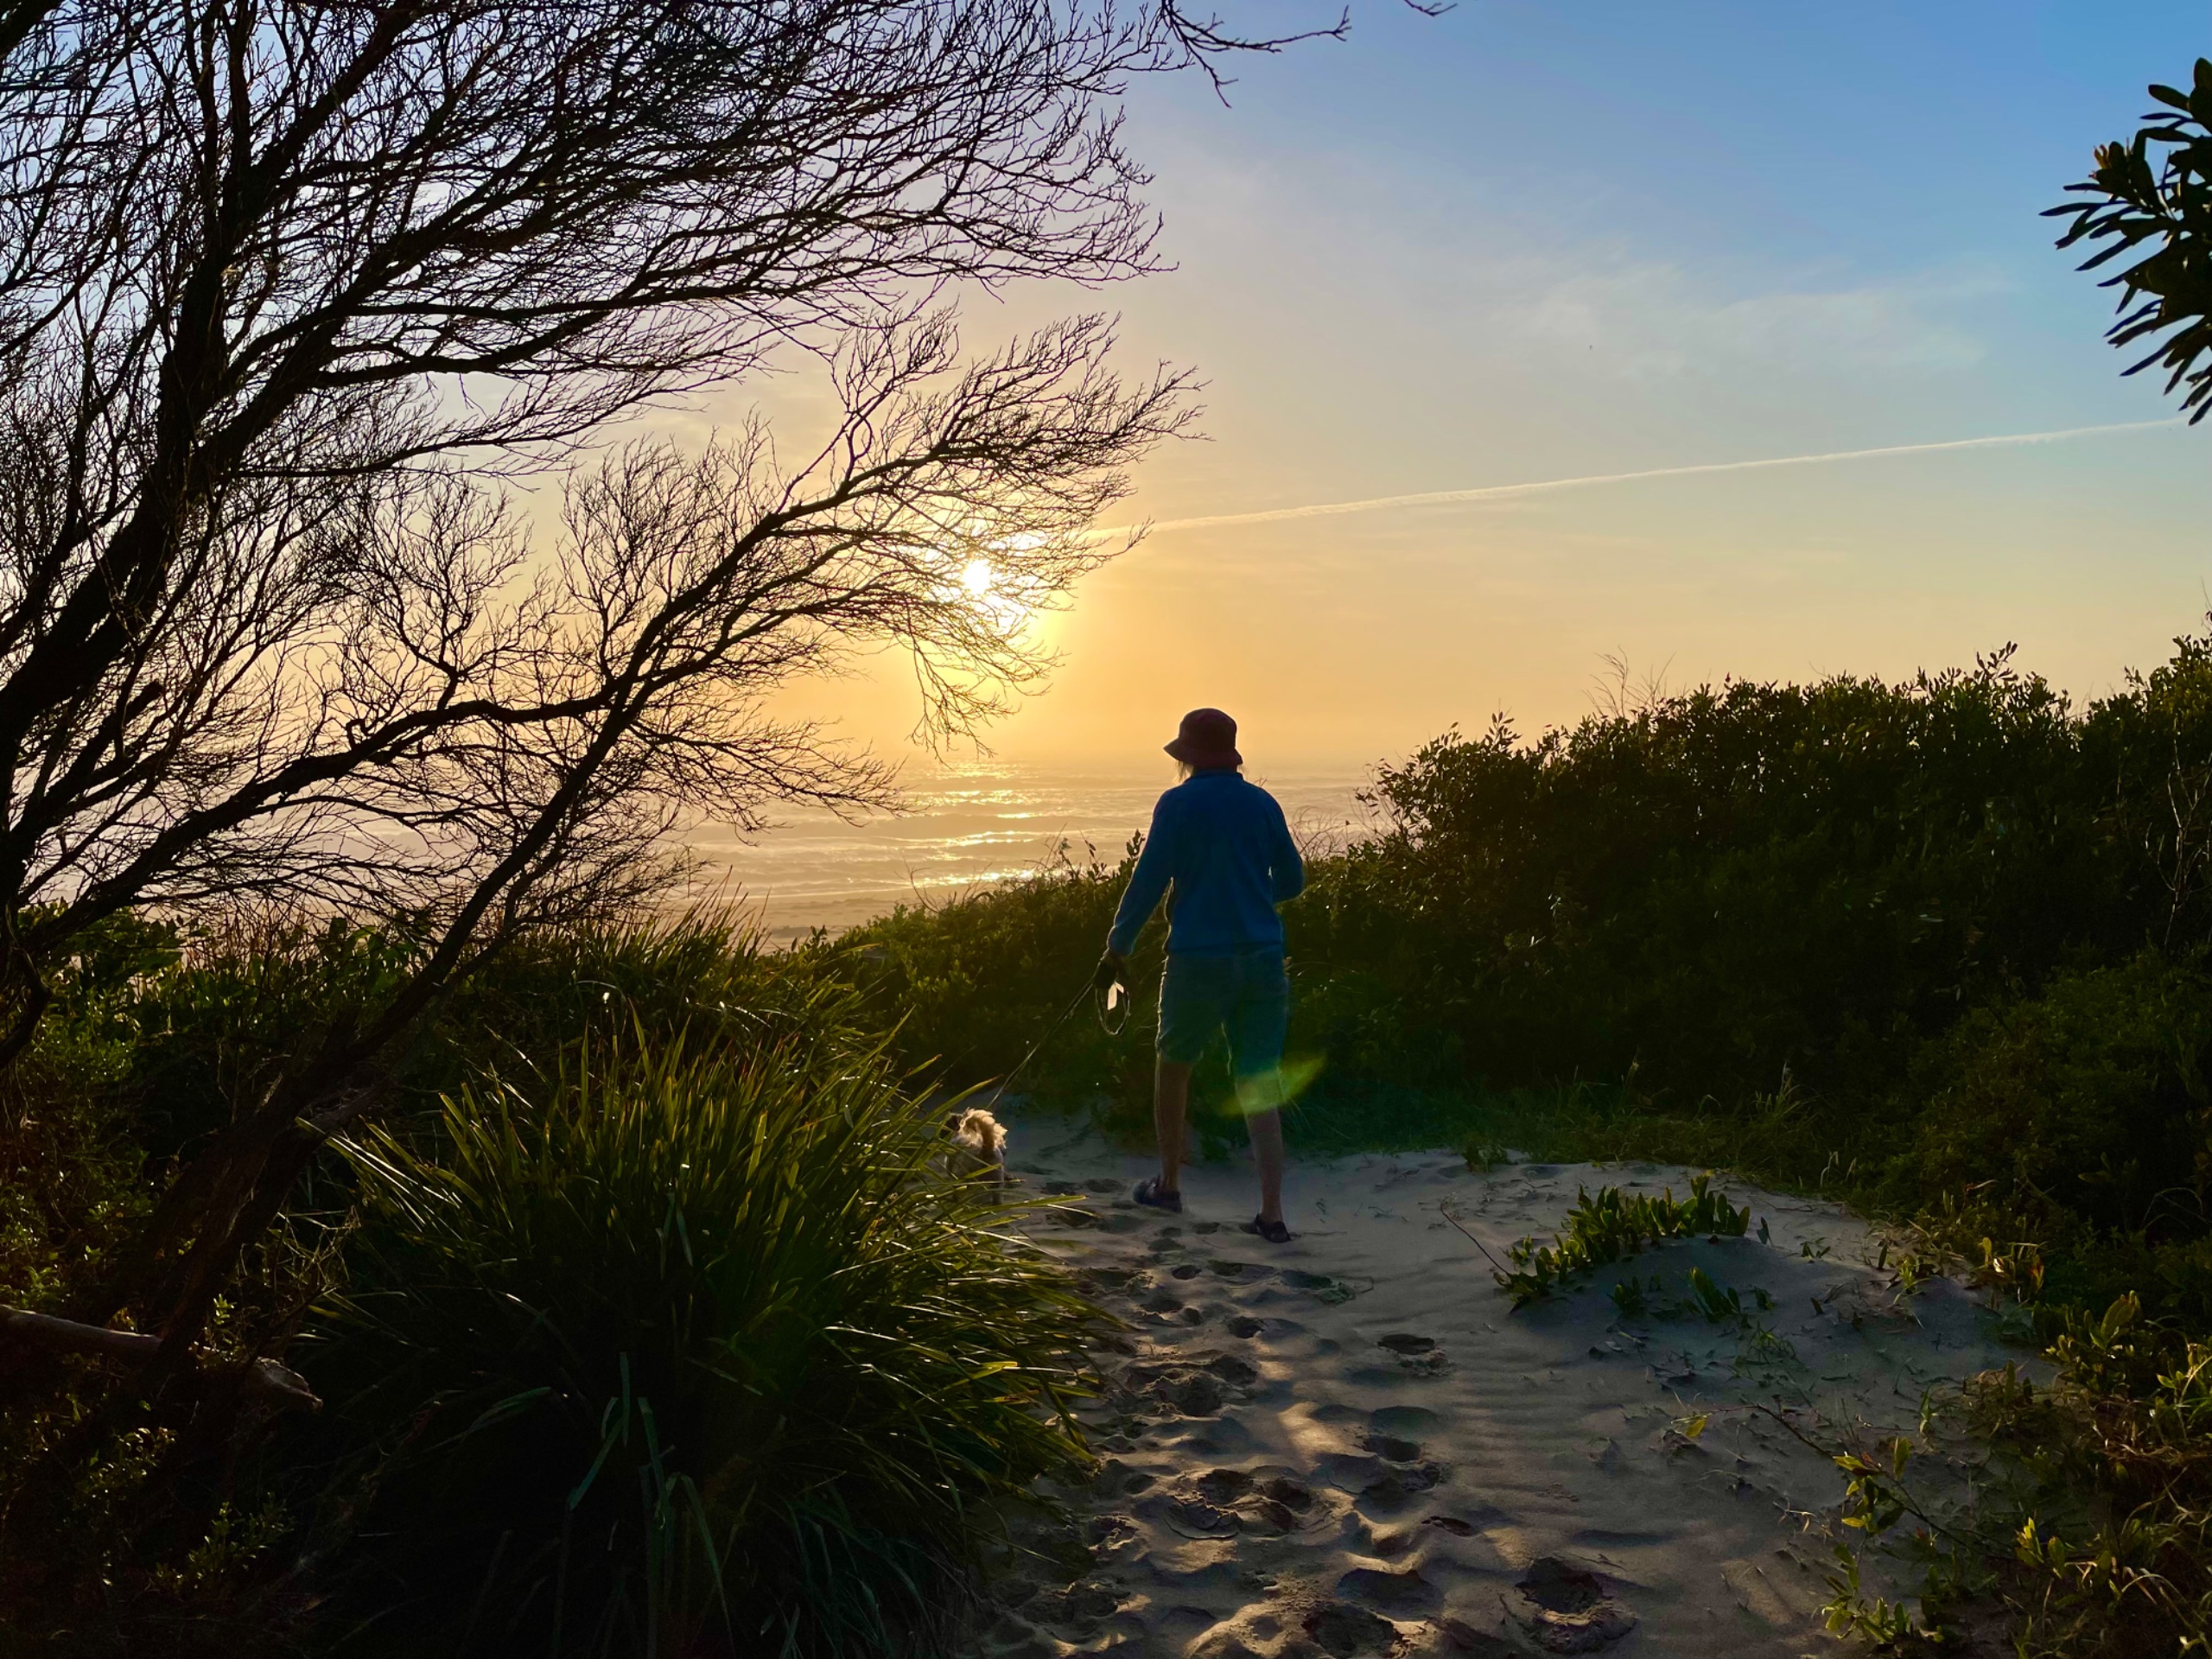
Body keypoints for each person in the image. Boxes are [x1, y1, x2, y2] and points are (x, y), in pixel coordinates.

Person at [1096, 708, 1306, 1243]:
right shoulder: (1261, 803)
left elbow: (1147, 881)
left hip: (1197, 959)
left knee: (1175, 1066)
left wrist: (1117, 946)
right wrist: (1254, 898)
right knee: (1259, 1079)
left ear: (1186, 758)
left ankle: (1168, 1185)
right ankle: (1273, 1214)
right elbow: (1293, 879)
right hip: (1262, 956)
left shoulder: (1178, 803)